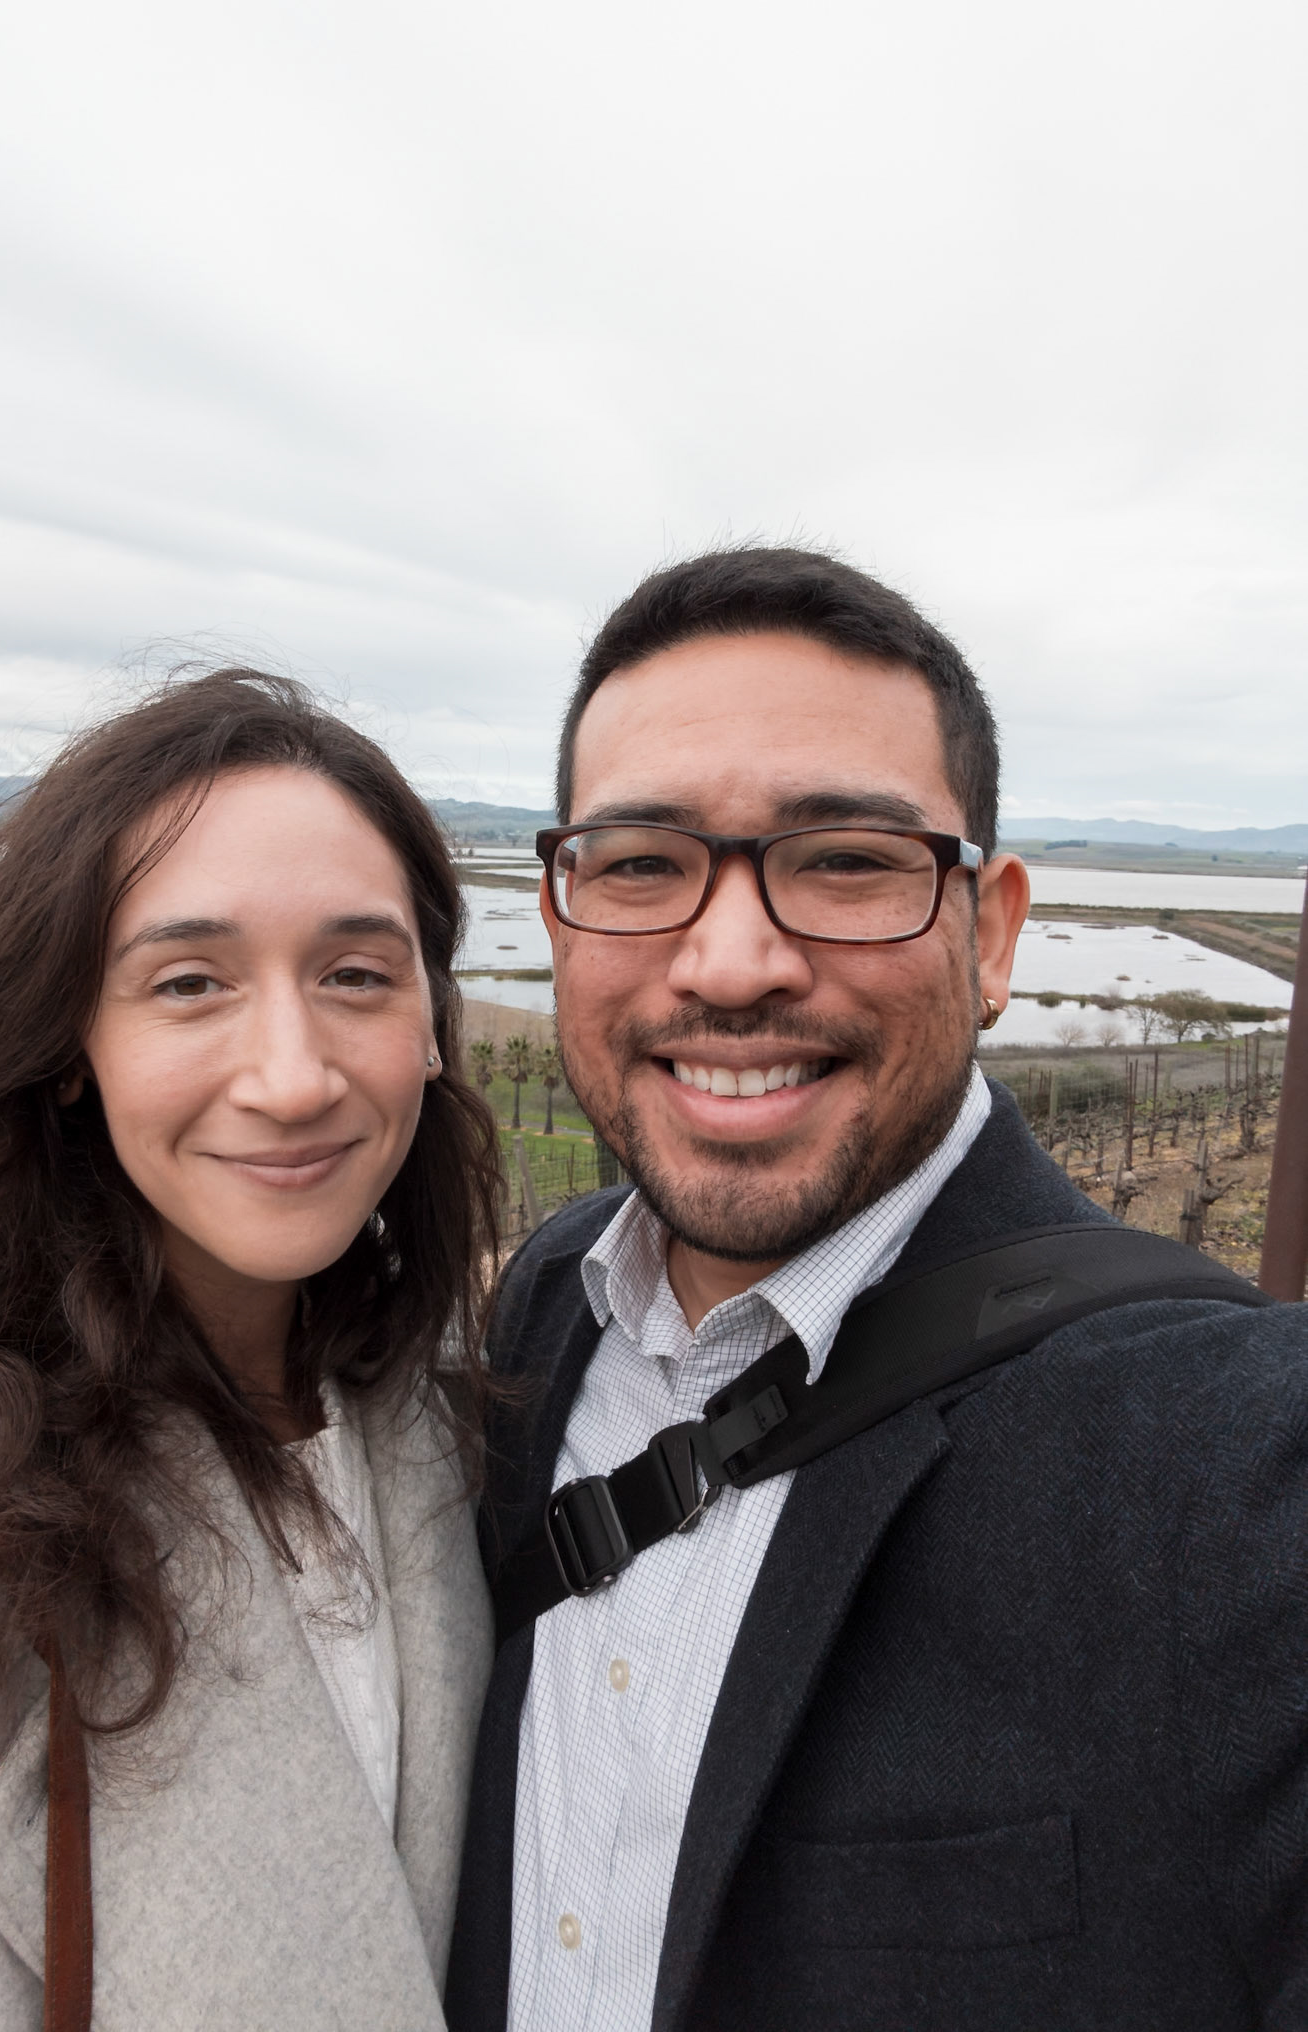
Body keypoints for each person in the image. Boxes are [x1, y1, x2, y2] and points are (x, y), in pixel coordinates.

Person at [446, 548, 1308, 2032]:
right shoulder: (547, 1309)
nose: (730, 964)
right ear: (560, 914)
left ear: (991, 931)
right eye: (639, 864)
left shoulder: (1232, 1466)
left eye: (845, 860)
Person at [0, 668, 502, 2031]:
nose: (292, 1077)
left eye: (356, 975)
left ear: (430, 1026)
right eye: (189, 983)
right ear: (70, 1045)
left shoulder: (435, 1421)